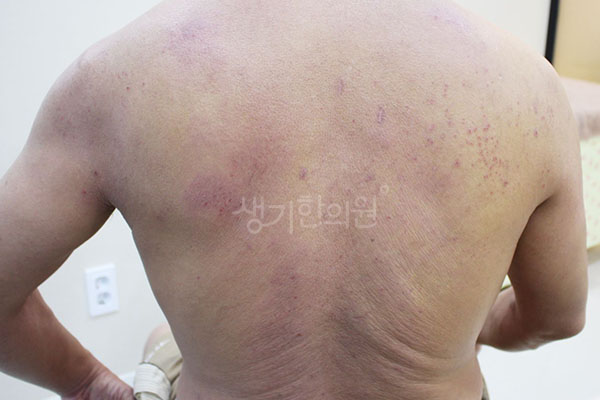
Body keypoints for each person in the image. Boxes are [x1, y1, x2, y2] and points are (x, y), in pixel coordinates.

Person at [0, 0, 588, 399]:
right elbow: (557, 317)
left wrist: (86, 383)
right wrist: (462, 331)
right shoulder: (528, 90)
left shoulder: (114, 78)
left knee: (161, 338)